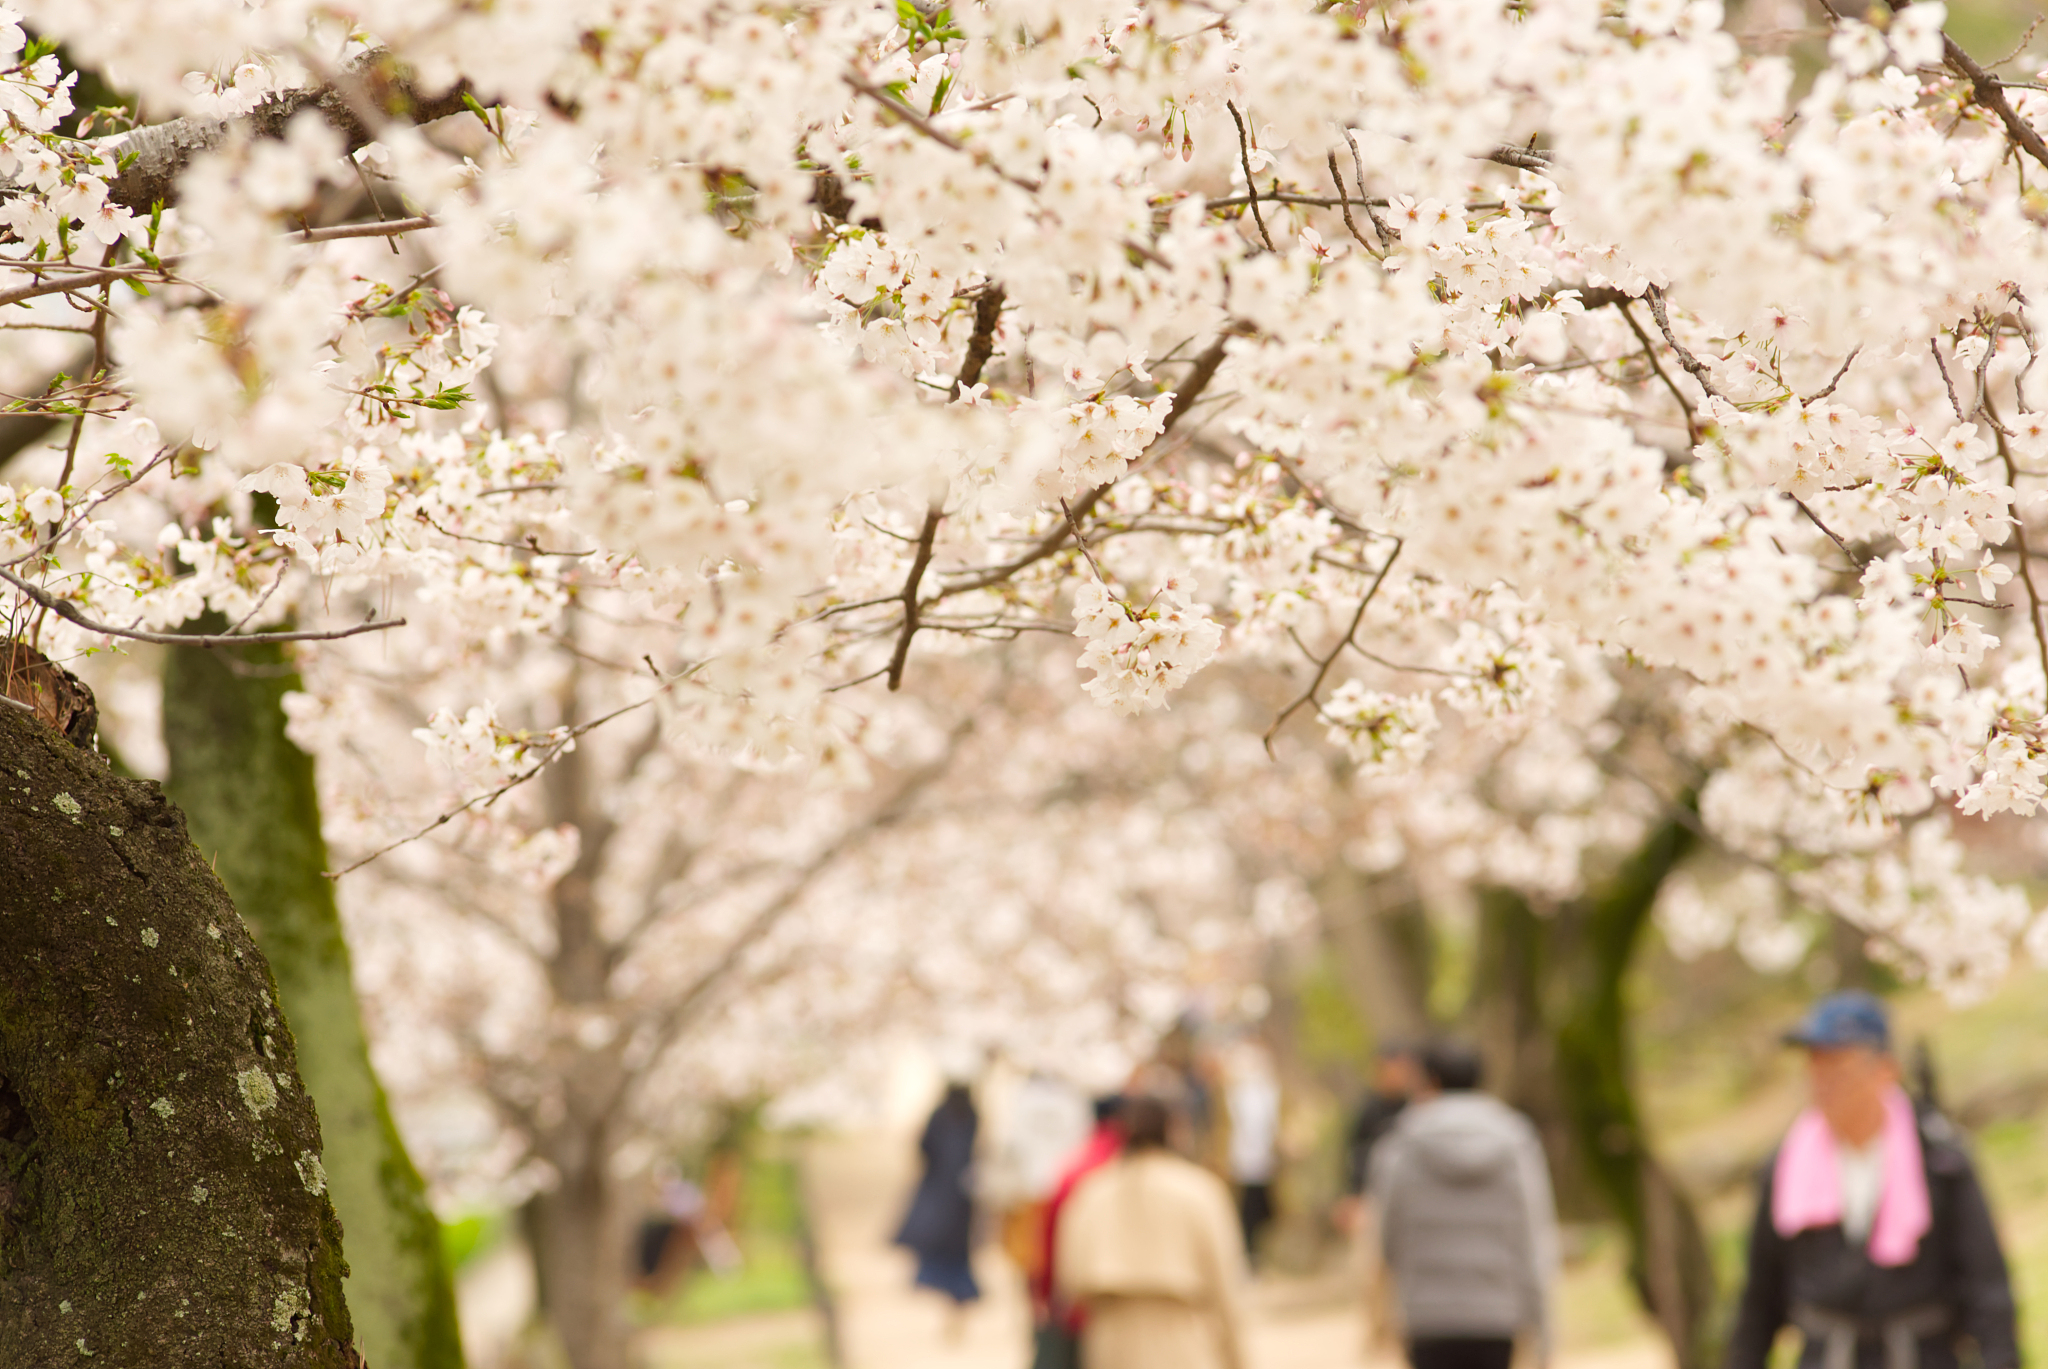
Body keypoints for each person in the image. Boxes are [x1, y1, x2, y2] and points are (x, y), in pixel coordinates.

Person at [1725, 992, 2018, 1369]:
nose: (1823, 1083)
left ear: (1885, 1070)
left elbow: (1987, 1289)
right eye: (1816, 1067)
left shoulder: (1940, 1159)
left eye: (1838, 1067)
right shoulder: (1784, 1166)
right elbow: (1759, 1300)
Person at [1370, 1039, 1557, 1369]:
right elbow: (1534, 1236)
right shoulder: (1515, 1142)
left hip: (1427, 1315)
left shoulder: (1399, 1145)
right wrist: (1544, 1330)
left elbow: (1386, 1238)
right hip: (1497, 1313)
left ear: (1430, 1081)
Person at [1056, 1094, 1248, 1369]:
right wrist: (1237, 1359)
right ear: (1175, 1130)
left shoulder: (1093, 1193)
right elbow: (1226, 1286)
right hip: (1183, 1339)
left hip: (1110, 1341)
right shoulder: (1199, 1191)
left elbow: (1069, 1279)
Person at [1031, 1094, 1125, 1369]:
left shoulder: (1071, 1168)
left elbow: (1049, 1238)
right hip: (1122, 1308)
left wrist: (1044, 1292)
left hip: (1076, 1302)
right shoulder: (1124, 1167)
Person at [893, 1081, 982, 1319]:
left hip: (942, 1187)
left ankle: (943, 1285)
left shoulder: (944, 1116)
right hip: (960, 1192)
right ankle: (956, 1292)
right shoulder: (971, 1115)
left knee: (936, 1238)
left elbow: (924, 1146)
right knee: (955, 1246)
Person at [1335, 1040, 1423, 1234]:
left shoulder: (1416, 1108)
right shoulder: (1369, 1109)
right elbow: (1355, 1153)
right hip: (1373, 1194)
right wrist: (1353, 1194)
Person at [1224, 1039, 1282, 1263]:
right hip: (1239, 1162)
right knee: (1242, 1210)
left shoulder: (1273, 1093)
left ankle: (1260, 1254)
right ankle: (1245, 1255)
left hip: (1266, 1163)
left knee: (1264, 1210)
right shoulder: (1230, 1095)